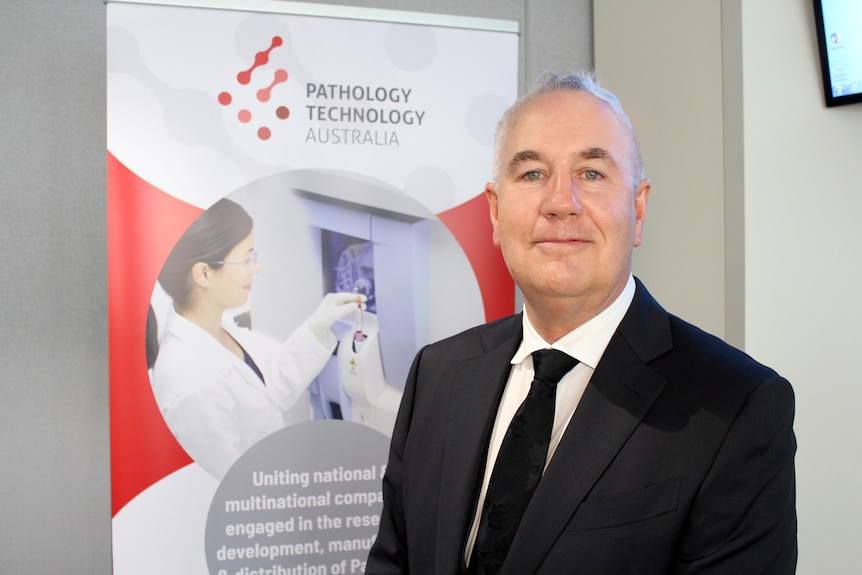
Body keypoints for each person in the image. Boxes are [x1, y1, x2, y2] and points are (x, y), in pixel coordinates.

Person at [366, 72, 796, 574]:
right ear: (495, 211)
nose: (560, 202)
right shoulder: (437, 374)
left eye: (591, 173)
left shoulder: (735, 408)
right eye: (531, 174)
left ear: (638, 207)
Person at [151, 198, 363, 479]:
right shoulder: (192, 389)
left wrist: (317, 327)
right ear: (203, 274)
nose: (257, 268)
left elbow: (269, 385)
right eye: (247, 258)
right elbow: (230, 488)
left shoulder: (215, 328)